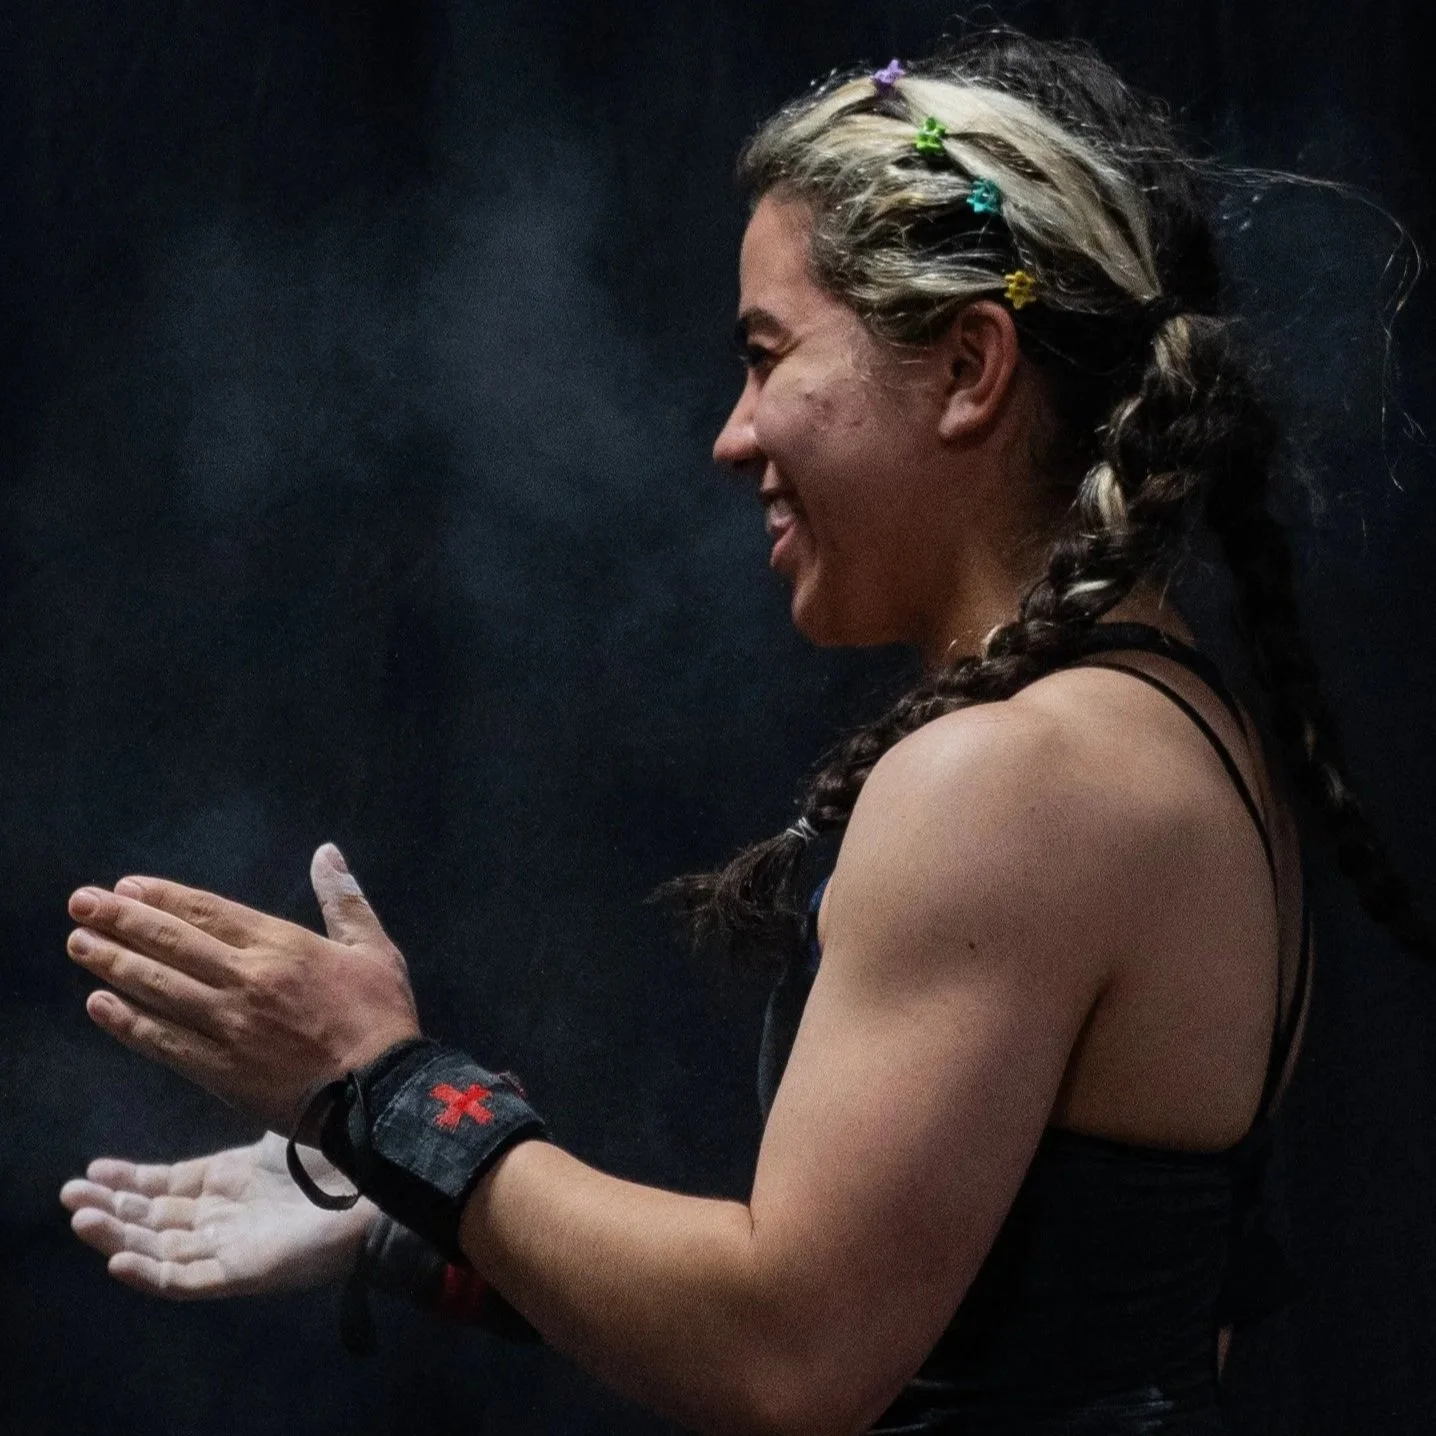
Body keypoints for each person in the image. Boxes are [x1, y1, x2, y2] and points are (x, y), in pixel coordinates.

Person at [59, 29, 1430, 1436]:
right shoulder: (1178, 735)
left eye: (769, 356)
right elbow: (948, 1315)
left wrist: (389, 1097)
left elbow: (793, 1355)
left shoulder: (1014, 776)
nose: (732, 433)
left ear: (969, 365)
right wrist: (419, 1218)